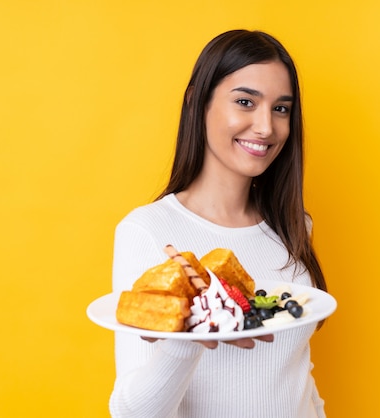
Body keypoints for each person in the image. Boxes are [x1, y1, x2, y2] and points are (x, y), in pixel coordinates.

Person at [109, 29, 328, 418]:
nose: (266, 127)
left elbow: (297, 377)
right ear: (197, 102)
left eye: (281, 108)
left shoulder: (294, 227)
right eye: (245, 102)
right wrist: (188, 333)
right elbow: (133, 413)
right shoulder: (147, 232)